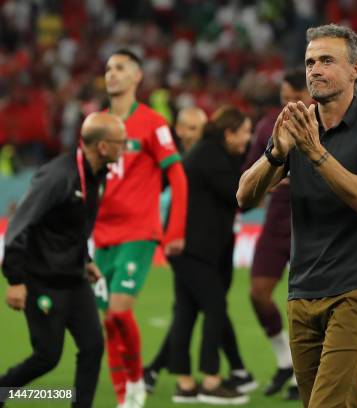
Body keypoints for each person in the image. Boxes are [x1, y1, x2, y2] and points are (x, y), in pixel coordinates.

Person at [237, 24, 357, 407]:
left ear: (356, 70)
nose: (315, 69)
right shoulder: (297, 124)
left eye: (327, 60)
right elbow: (245, 197)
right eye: (310, 61)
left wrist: (314, 153)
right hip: (302, 291)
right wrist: (276, 154)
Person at [0, 113, 126, 408]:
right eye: (121, 143)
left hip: (74, 278)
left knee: (93, 346)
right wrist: (15, 281)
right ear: (103, 147)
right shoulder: (58, 176)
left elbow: (72, 224)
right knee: (47, 357)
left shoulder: (96, 174)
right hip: (42, 280)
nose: (125, 148)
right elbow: (19, 225)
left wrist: (85, 258)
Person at [93, 48, 188, 408]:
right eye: (107, 68)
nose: (111, 74)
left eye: (119, 68)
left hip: (138, 232)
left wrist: (174, 230)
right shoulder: (95, 124)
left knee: (119, 310)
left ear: (137, 77)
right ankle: (124, 394)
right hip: (102, 236)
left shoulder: (152, 123)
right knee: (108, 321)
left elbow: (177, 177)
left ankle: (135, 383)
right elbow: (85, 180)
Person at [166, 106, 253, 405]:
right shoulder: (210, 155)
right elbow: (237, 195)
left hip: (189, 247)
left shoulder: (209, 152)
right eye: (244, 132)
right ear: (228, 133)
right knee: (214, 306)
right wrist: (268, 181)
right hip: (192, 249)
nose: (248, 139)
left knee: (186, 312)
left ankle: (185, 385)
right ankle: (211, 381)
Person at [243, 68, 310, 400]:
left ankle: (306, 374)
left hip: (312, 216)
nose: (288, 105)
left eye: (295, 98)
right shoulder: (269, 126)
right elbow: (251, 173)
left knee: (307, 303)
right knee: (258, 292)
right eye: (284, 99)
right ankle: (285, 361)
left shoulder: (326, 125)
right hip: (278, 212)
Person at [142, 106, 207, 392]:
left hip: (204, 246)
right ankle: (189, 379)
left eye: (200, 129)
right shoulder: (174, 164)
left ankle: (153, 370)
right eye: (190, 128)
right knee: (207, 307)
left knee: (188, 310)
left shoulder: (203, 158)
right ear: (179, 131)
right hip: (184, 247)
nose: (195, 135)